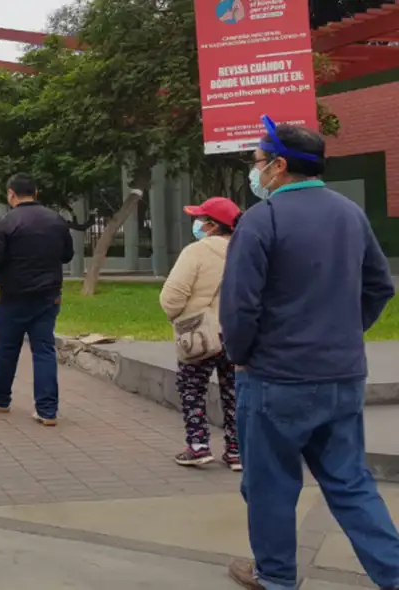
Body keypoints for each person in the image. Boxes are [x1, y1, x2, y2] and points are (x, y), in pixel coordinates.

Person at [221, 120, 399, 590]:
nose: (255, 172)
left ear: (279, 166)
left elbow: (240, 305)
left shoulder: (260, 220)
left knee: (271, 485)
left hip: (274, 380)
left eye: (258, 163)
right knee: (350, 481)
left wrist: (240, 354)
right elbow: (380, 286)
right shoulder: (350, 213)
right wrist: (343, 332)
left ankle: (275, 576)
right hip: (341, 376)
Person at [0, 173, 73, 426]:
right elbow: (67, 255)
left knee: (7, 348)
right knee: (44, 349)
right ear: (36, 192)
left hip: (13, 295)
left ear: (11, 194)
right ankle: (47, 410)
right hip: (48, 295)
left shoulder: (5, 222)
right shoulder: (56, 220)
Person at [160, 197, 242, 471]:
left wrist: (179, 319)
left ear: (210, 225)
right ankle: (236, 450)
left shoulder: (195, 252)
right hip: (238, 334)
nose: (196, 224)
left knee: (192, 388)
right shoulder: (247, 250)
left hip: (200, 336)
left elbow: (172, 297)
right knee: (234, 392)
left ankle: (198, 446)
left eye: (199, 219)